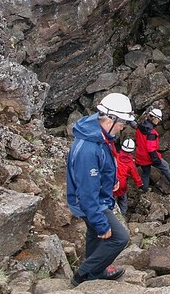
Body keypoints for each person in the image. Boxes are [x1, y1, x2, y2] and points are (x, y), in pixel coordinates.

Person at [66, 93, 134, 286]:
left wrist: (110, 180)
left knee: (94, 233)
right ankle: (84, 274)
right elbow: (87, 193)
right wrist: (101, 222)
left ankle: (94, 271)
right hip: (91, 202)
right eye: (122, 122)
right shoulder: (89, 148)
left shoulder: (98, 134)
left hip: (96, 196)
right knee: (120, 237)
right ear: (111, 119)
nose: (123, 127)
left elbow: (103, 163)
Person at [135, 108, 170, 192]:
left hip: (140, 155)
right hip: (149, 156)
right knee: (165, 166)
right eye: (158, 119)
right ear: (155, 118)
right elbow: (150, 149)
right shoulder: (151, 133)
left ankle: (144, 189)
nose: (158, 122)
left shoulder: (140, 126)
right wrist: (156, 160)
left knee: (146, 173)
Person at [114, 139, 143, 217]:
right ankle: (122, 215)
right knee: (123, 199)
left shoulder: (116, 156)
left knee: (111, 198)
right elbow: (135, 176)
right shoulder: (130, 163)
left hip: (112, 182)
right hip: (122, 185)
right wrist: (140, 184)